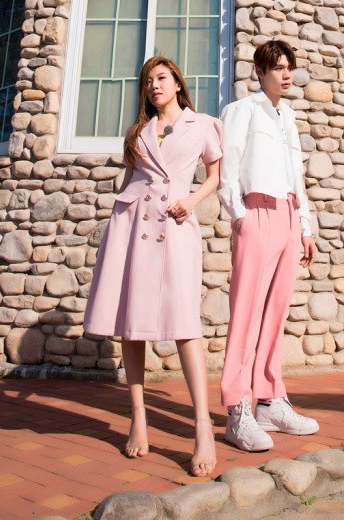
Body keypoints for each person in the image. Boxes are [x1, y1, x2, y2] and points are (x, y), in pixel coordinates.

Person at [84, 56, 223, 477]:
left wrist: (191, 202)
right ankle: (138, 418)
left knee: (185, 325)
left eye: (161, 78)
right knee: (131, 324)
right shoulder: (138, 132)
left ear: (178, 83)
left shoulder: (203, 124)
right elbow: (134, 180)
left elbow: (214, 176)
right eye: (148, 81)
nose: (154, 86)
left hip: (176, 224)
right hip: (132, 225)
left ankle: (203, 427)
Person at [219, 39, 319, 451]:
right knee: (246, 313)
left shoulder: (288, 116)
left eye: (289, 67)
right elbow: (227, 167)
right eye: (278, 67)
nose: (286, 73)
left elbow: (297, 176)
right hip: (256, 213)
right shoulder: (241, 110)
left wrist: (305, 227)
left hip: (288, 217)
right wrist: (239, 215)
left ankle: (269, 401)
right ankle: (237, 408)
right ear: (260, 72)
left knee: (275, 314)